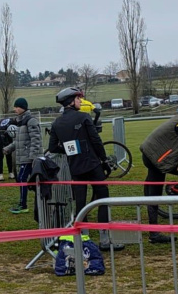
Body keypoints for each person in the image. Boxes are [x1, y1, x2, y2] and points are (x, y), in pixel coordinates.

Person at [48, 88, 124, 251]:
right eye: (78, 99)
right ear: (71, 101)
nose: (80, 101)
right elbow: (96, 140)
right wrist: (104, 159)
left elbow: (53, 147)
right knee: (103, 198)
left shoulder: (57, 123)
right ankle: (104, 239)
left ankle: (84, 239)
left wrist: (70, 149)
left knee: (80, 203)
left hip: (75, 167)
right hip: (92, 164)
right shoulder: (84, 117)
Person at [3, 98, 43, 214]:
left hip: (29, 158)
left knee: (22, 178)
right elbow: (19, 141)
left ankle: (23, 204)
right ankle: (25, 202)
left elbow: (36, 140)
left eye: (17, 107)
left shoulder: (31, 121)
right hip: (24, 157)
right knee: (24, 179)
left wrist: (33, 157)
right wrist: (8, 148)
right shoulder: (20, 122)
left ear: (22, 108)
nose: (15, 109)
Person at [0, 117, 15, 182]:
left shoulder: (10, 122)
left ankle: (10, 172)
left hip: (5, 136)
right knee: (0, 155)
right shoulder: (11, 122)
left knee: (8, 155)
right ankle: (1, 174)